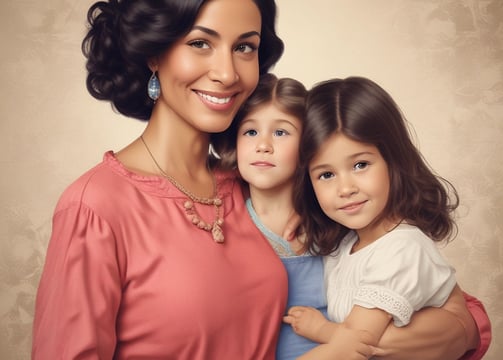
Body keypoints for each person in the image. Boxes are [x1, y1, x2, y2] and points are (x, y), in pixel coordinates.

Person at [32, 0, 289, 358]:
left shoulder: (255, 184)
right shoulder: (95, 207)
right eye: (200, 43)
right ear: (154, 53)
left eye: (244, 47)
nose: (228, 73)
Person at [284, 76, 491, 359]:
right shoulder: (345, 248)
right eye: (326, 174)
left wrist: (321, 329)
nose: (346, 189)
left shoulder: (403, 247)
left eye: (360, 165)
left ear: (393, 161)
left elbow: (354, 346)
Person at [216, 73, 329, 359]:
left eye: (281, 132)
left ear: (307, 147)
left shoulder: (334, 219)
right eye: (250, 132)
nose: (263, 145)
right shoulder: (222, 220)